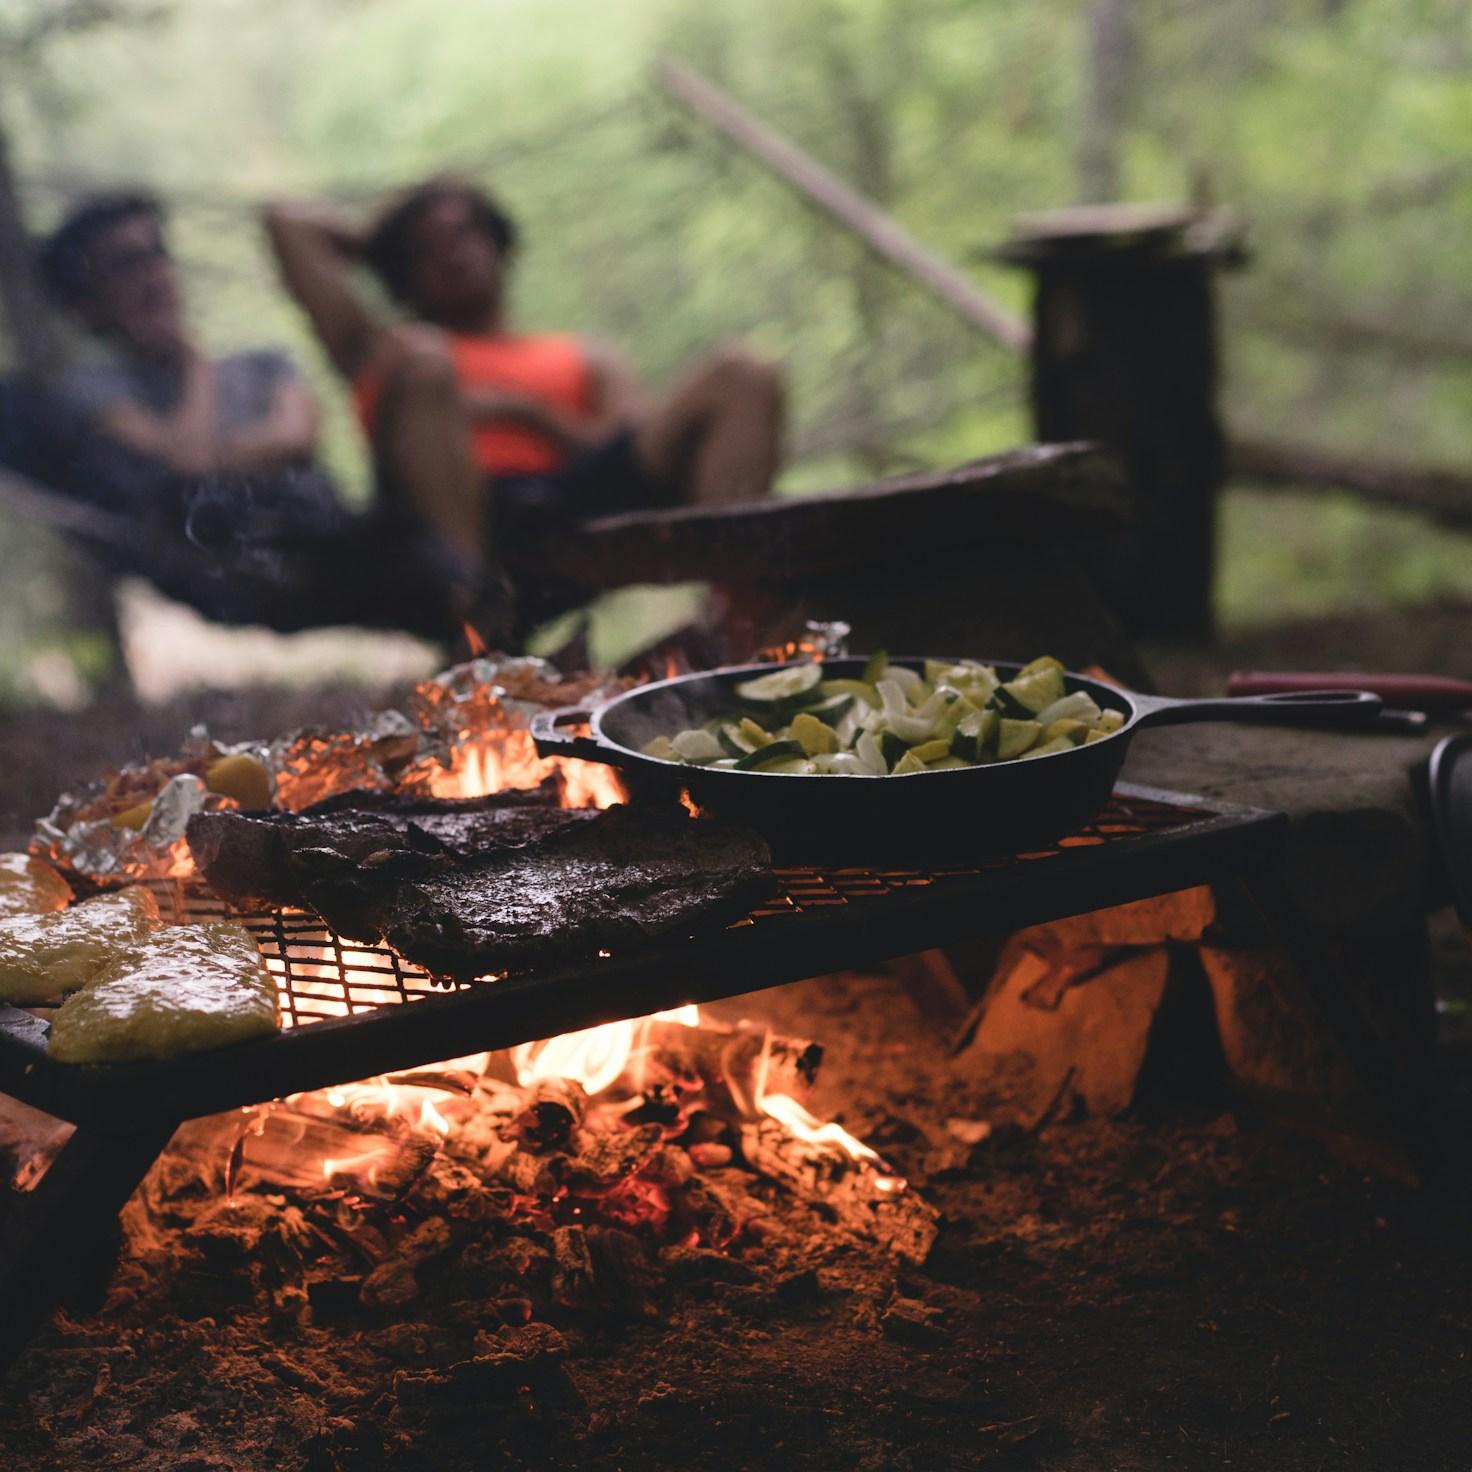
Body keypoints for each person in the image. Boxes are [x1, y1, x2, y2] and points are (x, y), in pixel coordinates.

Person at [263, 177, 785, 629]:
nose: (450, 252)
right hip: (456, 526)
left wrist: (526, 413)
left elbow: (635, 444)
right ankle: (476, 608)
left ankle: (734, 612)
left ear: (498, 243)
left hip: (578, 497)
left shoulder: (582, 356)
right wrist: (380, 244)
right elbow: (286, 223)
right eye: (426, 248)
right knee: (426, 358)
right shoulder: (383, 350)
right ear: (403, 273)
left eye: (464, 232)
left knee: (745, 372)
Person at [36, 192, 343, 560]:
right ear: (88, 303)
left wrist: (211, 459)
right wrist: (193, 363)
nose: (152, 278)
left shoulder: (265, 362)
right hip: (232, 565)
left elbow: (296, 439)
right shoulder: (93, 393)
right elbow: (189, 466)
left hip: (332, 540)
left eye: (157, 254)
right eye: (126, 265)